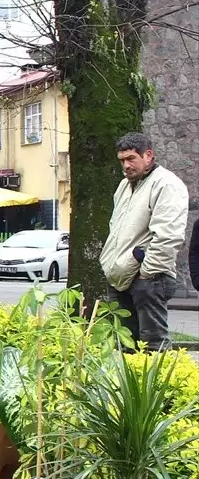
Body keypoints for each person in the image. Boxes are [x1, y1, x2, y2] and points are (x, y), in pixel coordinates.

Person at [99, 132, 189, 350]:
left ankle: (158, 385)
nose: (126, 165)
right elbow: (117, 229)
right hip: (122, 276)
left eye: (131, 158)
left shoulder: (167, 184)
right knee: (127, 346)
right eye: (122, 160)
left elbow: (168, 236)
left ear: (148, 155)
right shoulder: (124, 186)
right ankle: (129, 385)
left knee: (153, 346)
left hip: (149, 278)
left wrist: (147, 274)